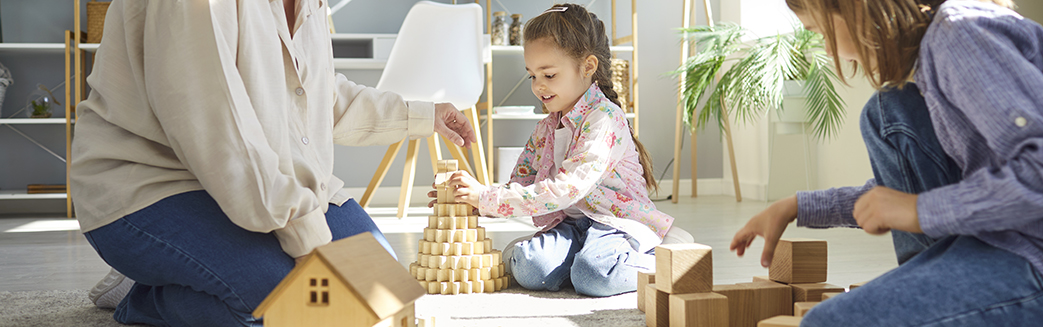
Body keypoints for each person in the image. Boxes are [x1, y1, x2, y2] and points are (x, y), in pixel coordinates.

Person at [71, 1, 476, 326]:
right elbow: (217, 128)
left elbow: (313, 93)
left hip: (253, 179)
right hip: (151, 187)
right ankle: (145, 299)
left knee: (377, 288)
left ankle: (195, 269)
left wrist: (422, 115)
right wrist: (309, 243)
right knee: (296, 305)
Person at [731, 0, 1043, 325]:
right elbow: (894, 200)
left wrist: (920, 210)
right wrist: (796, 206)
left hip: (1031, 254)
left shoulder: (959, 35)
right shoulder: (940, 48)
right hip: (1001, 238)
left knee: (829, 322)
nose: (826, 48)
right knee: (890, 110)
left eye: (821, 30)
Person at [437, 3, 690, 298]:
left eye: (549, 75)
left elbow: (566, 189)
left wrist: (486, 198)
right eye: (532, 75)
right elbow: (520, 185)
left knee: (594, 276)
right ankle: (579, 260)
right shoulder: (545, 128)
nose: (538, 86)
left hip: (614, 222)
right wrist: (476, 201)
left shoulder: (604, 119)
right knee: (531, 268)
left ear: (588, 66)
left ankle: (672, 256)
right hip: (569, 223)